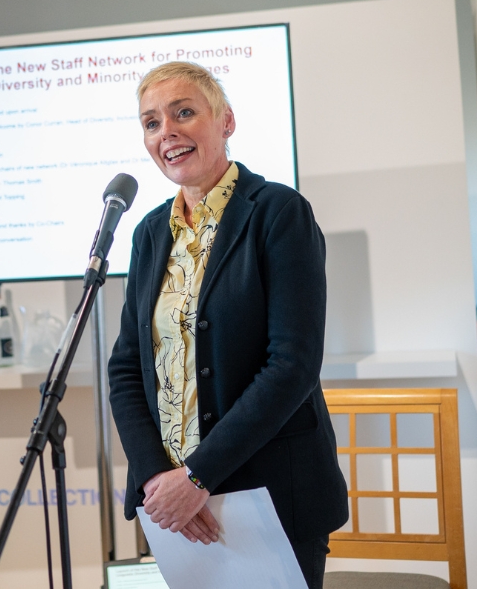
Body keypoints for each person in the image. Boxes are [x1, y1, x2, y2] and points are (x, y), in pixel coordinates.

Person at [107, 61, 348, 588]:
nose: (165, 132)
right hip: (173, 505)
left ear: (227, 122)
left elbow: (292, 364)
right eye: (151, 122)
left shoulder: (278, 212)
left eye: (183, 112)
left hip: (269, 495)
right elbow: (127, 366)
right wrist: (158, 480)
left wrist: (198, 475)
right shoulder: (149, 233)